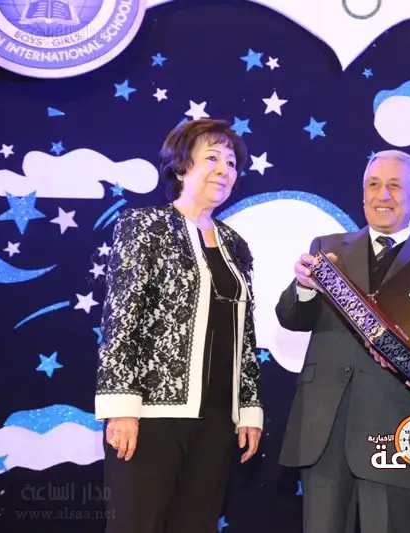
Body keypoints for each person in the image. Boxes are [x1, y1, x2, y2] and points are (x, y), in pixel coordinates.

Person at [275, 150, 410, 533]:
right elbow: (292, 318)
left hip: (400, 431)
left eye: (395, 186)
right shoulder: (327, 248)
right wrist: (305, 286)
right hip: (324, 430)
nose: (383, 195)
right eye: (374, 185)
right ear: (363, 194)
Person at [94, 119, 264, 533]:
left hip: (217, 421)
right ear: (182, 166)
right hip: (151, 416)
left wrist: (249, 408)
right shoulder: (144, 226)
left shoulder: (235, 243)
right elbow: (122, 317)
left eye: (231, 163)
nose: (224, 170)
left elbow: (245, 333)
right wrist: (121, 410)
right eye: (212, 158)